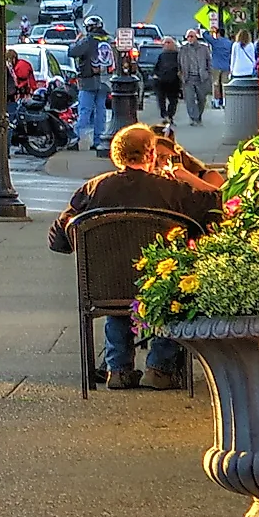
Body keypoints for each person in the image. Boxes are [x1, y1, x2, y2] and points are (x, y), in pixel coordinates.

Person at [48, 124, 221, 390]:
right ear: (151, 153)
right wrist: (185, 176)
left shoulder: (94, 188)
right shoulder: (172, 190)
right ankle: (160, 367)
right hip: (159, 285)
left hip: (106, 283)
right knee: (171, 291)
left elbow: (58, 237)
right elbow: (216, 205)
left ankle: (118, 369)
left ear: (116, 156)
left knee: (118, 281)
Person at [67, 19, 112, 152]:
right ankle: (98, 140)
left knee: (84, 111)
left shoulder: (87, 41)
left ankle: (75, 138)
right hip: (104, 80)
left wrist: (76, 41)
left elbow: (72, 52)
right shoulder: (108, 40)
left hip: (88, 81)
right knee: (101, 111)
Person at [179, 26, 213, 124]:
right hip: (188, 78)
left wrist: (208, 74)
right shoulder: (183, 49)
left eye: (192, 36)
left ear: (196, 37)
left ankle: (198, 115)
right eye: (188, 37)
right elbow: (179, 63)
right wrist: (181, 75)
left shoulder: (203, 48)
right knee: (190, 99)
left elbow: (209, 61)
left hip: (201, 78)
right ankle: (194, 118)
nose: (190, 38)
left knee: (201, 99)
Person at [152, 35, 184, 128]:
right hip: (161, 81)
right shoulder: (161, 55)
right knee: (161, 100)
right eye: (165, 43)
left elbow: (181, 66)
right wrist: (155, 75)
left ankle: (170, 115)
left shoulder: (178, 55)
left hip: (174, 81)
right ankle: (164, 115)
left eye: (169, 43)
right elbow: (156, 67)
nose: (167, 45)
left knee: (173, 101)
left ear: (173, 45)